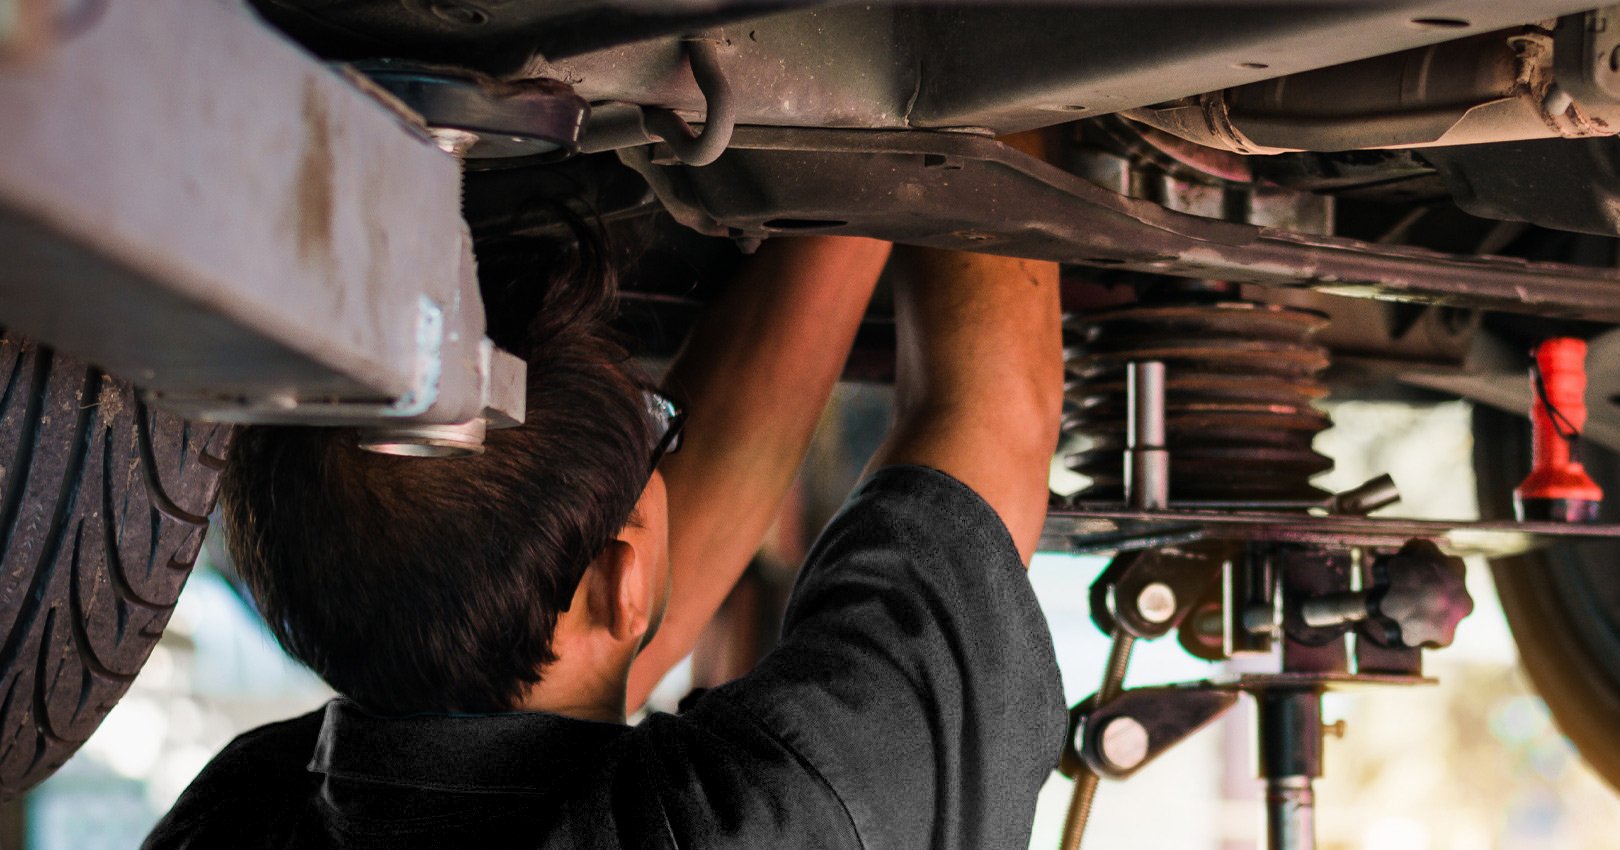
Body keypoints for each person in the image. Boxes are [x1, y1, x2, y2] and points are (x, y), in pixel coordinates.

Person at [140, 231, 1068, 849]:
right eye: (664, 436)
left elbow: (580, 654)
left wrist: (852, 195)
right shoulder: (238, 807)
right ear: (622, 576)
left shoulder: (241, 816)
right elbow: (991, 412)